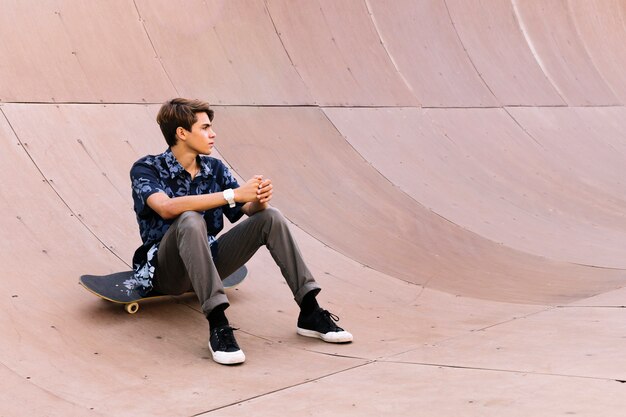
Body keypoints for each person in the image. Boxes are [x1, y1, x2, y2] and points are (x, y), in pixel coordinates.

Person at [129, 98, 352, 365]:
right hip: (169, 273)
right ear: (181, 133)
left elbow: (245, 209)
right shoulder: (147, 168)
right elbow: (165, 207)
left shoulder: (215, 169)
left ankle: (310, 310)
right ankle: (218, 325)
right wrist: (231, 193)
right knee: (189, 219)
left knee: (271, 217)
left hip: (211, 261)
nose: (213, 134)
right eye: (205, 128)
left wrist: (259, 198)